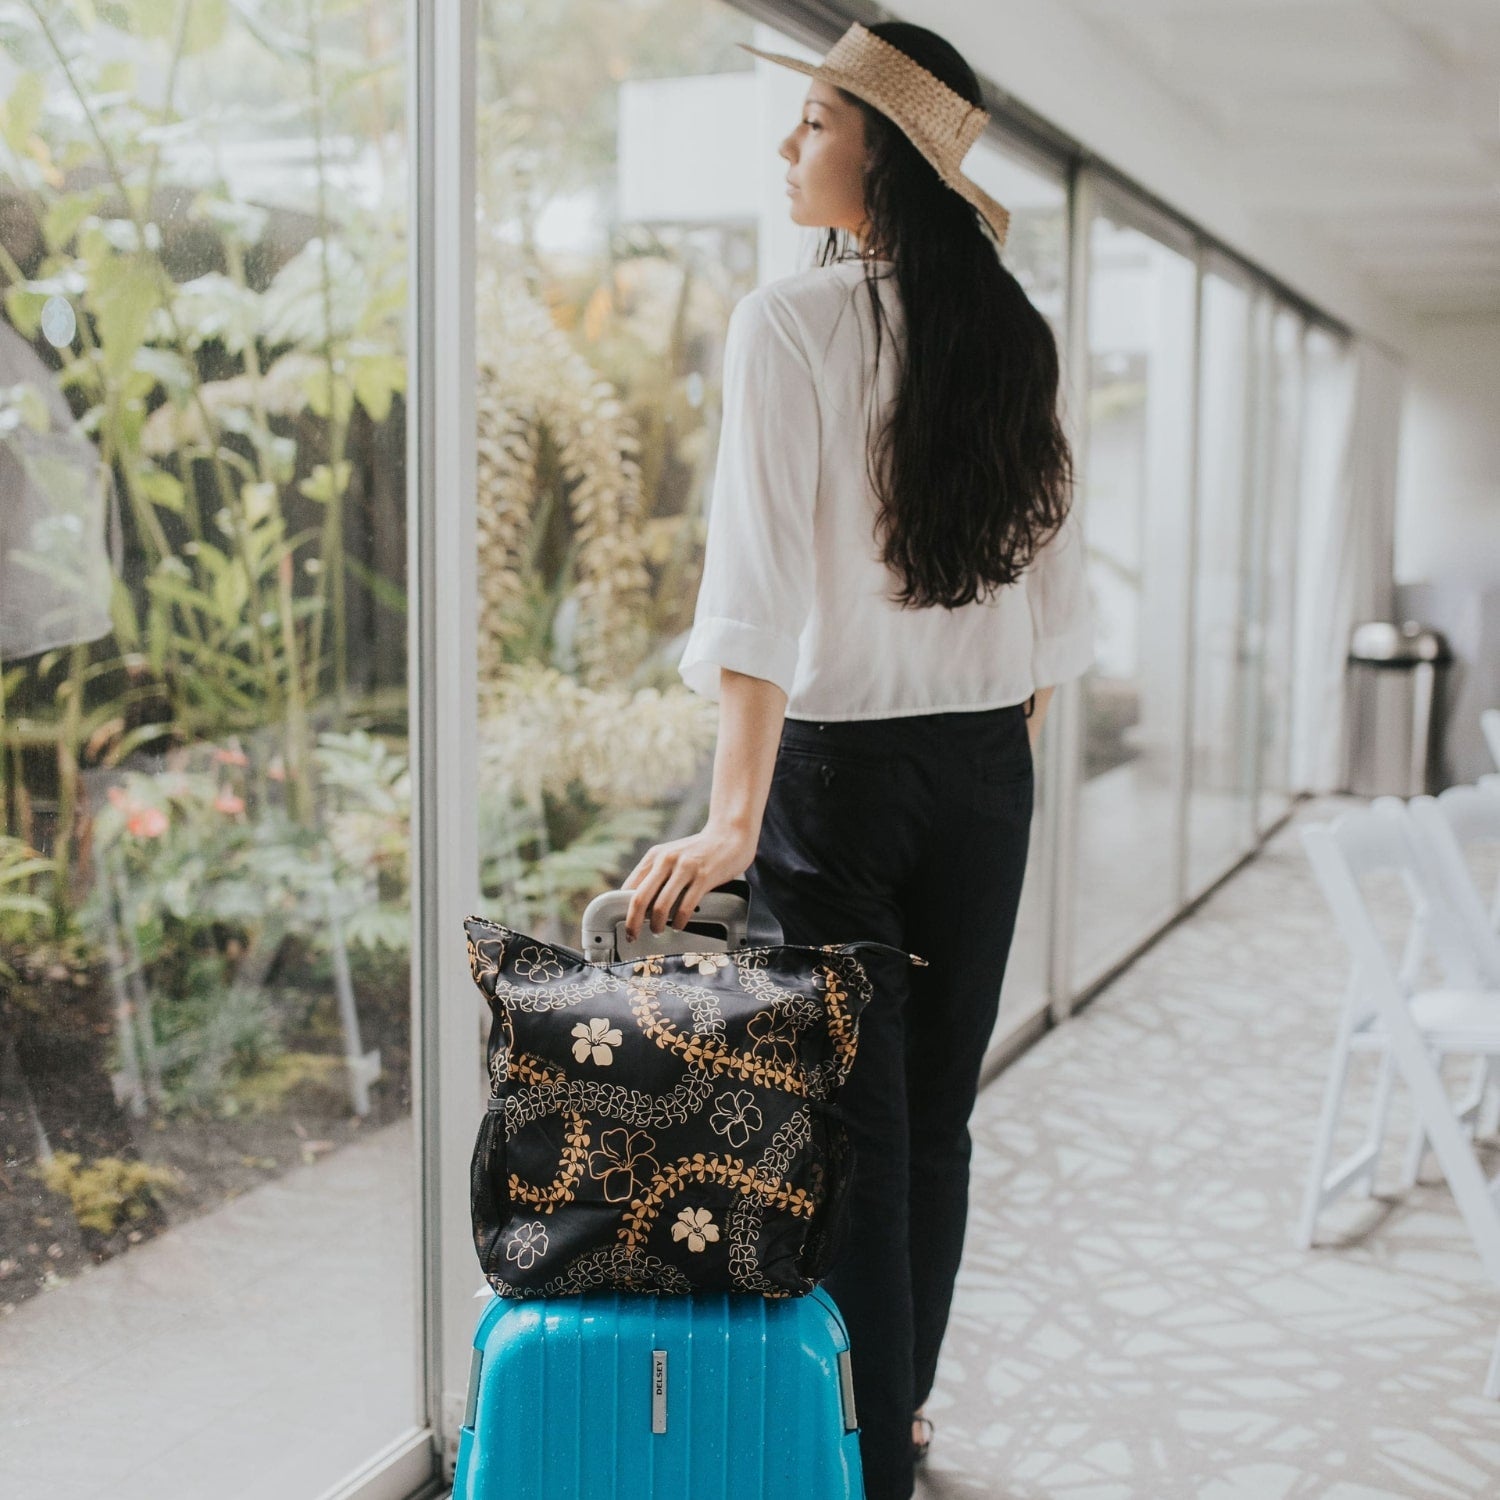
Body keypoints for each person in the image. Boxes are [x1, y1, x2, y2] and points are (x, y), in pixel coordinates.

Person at [620, 19, 1095, 1500]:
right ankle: (899, 1417)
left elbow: (757, 591)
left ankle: (865, 1457)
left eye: (814, 120)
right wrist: (988, 766)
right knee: (934, 1121)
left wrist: (733, 817)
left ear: (877, 151)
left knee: (857, 1137)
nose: (788, 146)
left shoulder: (790, 324)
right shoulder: (1012, 335)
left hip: (839, 782)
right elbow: (1051, 606)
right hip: (983, 775)